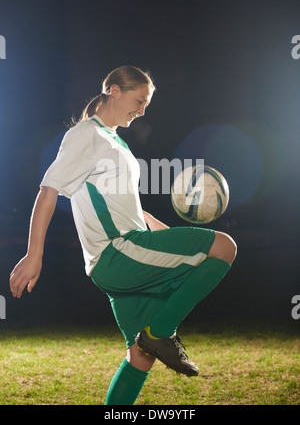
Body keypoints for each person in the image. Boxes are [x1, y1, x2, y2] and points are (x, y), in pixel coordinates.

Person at [10, 65, 237, 405]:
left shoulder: (113, 140)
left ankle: (150, 344)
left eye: (147, 104)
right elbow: (49, 190)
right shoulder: (87, 134)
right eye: (139, 100)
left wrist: (163, 231)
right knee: (224, 246)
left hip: (119, 260)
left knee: (139, 356)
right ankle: (161, 334)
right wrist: (34, 253)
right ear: (114, 91)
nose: (142, 110)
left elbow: (129, 209)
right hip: (119, 253)